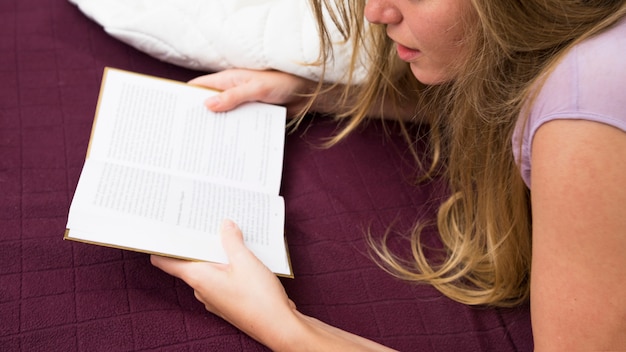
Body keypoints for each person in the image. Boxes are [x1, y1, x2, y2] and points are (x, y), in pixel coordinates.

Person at [150, 0, 626, 350]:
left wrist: (279, 324)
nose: (375, 12)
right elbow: (507, 104)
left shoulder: (585, 111)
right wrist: (309, 93)